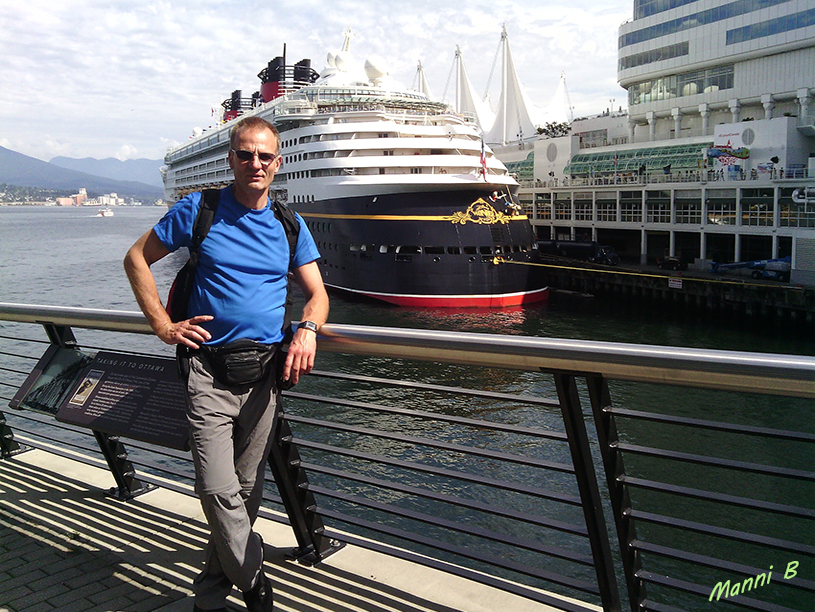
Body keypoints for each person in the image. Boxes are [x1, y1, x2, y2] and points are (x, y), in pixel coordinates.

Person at [124, 115, 328, 612]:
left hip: (263, 376)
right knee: (218, 491)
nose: (254, 163)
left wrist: (308, 328)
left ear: (277, 164)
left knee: (246, 492)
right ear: (230, 159)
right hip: (207, 371)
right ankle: (256, 584)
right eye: (245, 154)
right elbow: (135, 258)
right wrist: (162, 325)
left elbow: (318, 295)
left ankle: (211, 596)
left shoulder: (288, 223)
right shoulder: (200, 210)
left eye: (264, 156)